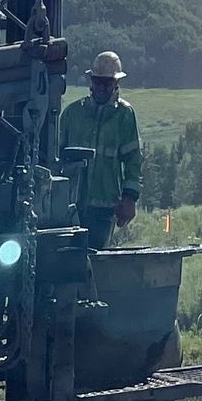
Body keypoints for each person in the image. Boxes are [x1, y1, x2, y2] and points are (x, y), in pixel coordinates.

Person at [60, 50, 143, 251]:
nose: (101, 88)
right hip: (70, 204)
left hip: (105, 206)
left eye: (106, 83)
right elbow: (55, 155)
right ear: (91, 81)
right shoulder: (72, 114)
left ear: (116, 84)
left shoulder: (124, 116)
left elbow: (133, 160)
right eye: (97, 82)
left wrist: (129, 198)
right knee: (68, 261)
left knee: (95, 262)